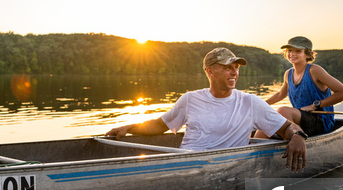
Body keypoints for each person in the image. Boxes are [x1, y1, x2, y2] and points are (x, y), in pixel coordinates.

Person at [106, 47, 308, 172]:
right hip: (183, 164)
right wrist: (129, 127)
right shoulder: (190, 99)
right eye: (228, 67)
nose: (234, 72)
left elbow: (286, 128)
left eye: (236, 67)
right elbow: (159, 126)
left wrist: (298, 136)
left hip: (221, 168)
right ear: (210, 71)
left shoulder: (250, 102)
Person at [254, 36, 343, 139]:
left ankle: (293, 141)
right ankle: (254, 147)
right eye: (290, 50)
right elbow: (280, 94)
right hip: (300, 121)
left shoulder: (314, 70)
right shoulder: (288, 74)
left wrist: (315, 105)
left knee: (283, 110)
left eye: (298, 51)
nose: (292, 54)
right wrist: (261, 104)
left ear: (308, 54)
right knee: (266, 116)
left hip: (321, 121)